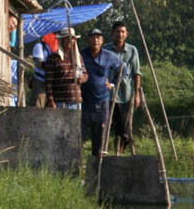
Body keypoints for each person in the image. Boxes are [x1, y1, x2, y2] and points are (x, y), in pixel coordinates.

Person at [80, 28, 122, 157]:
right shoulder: (81, 55)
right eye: (92, 37)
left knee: (100, 137)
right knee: (78, 135)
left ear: (102, 40)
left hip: (101, 102)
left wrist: (113, 83)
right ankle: (76, 165)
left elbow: (122, 68)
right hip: (84, 102)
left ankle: (98, 166)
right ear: (87, 40)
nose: (95, 40)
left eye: (98, 37)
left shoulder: (109, 56)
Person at [105, 21, 142, 154]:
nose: (120, 34)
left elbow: (136, 73)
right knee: (108, 124)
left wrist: (137, 94)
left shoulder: (132, 50)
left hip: (126, 93)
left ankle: (119, 151)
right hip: (108, 93)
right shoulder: (106, 49)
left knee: (124, 127)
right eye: (117, 32)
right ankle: (105, 151)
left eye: (122, 32)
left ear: (126, 34)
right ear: (112, 33)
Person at [43, 28, 88, 109]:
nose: (70, 41)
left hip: (76, 100)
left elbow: (85, 74)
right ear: (62, 40)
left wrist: (82, 78)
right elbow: (48, 82)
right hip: (60, 101)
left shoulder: (78, 57)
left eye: (72, 38)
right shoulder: (53, 58)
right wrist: (51, 100)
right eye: (67, 38)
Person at [29, 34, 58, 107]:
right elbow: (39, 63)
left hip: (54, 83)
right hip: (41, 80)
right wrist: (54, 68)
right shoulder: (40, 46)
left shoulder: (58, 48)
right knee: (37, 107)